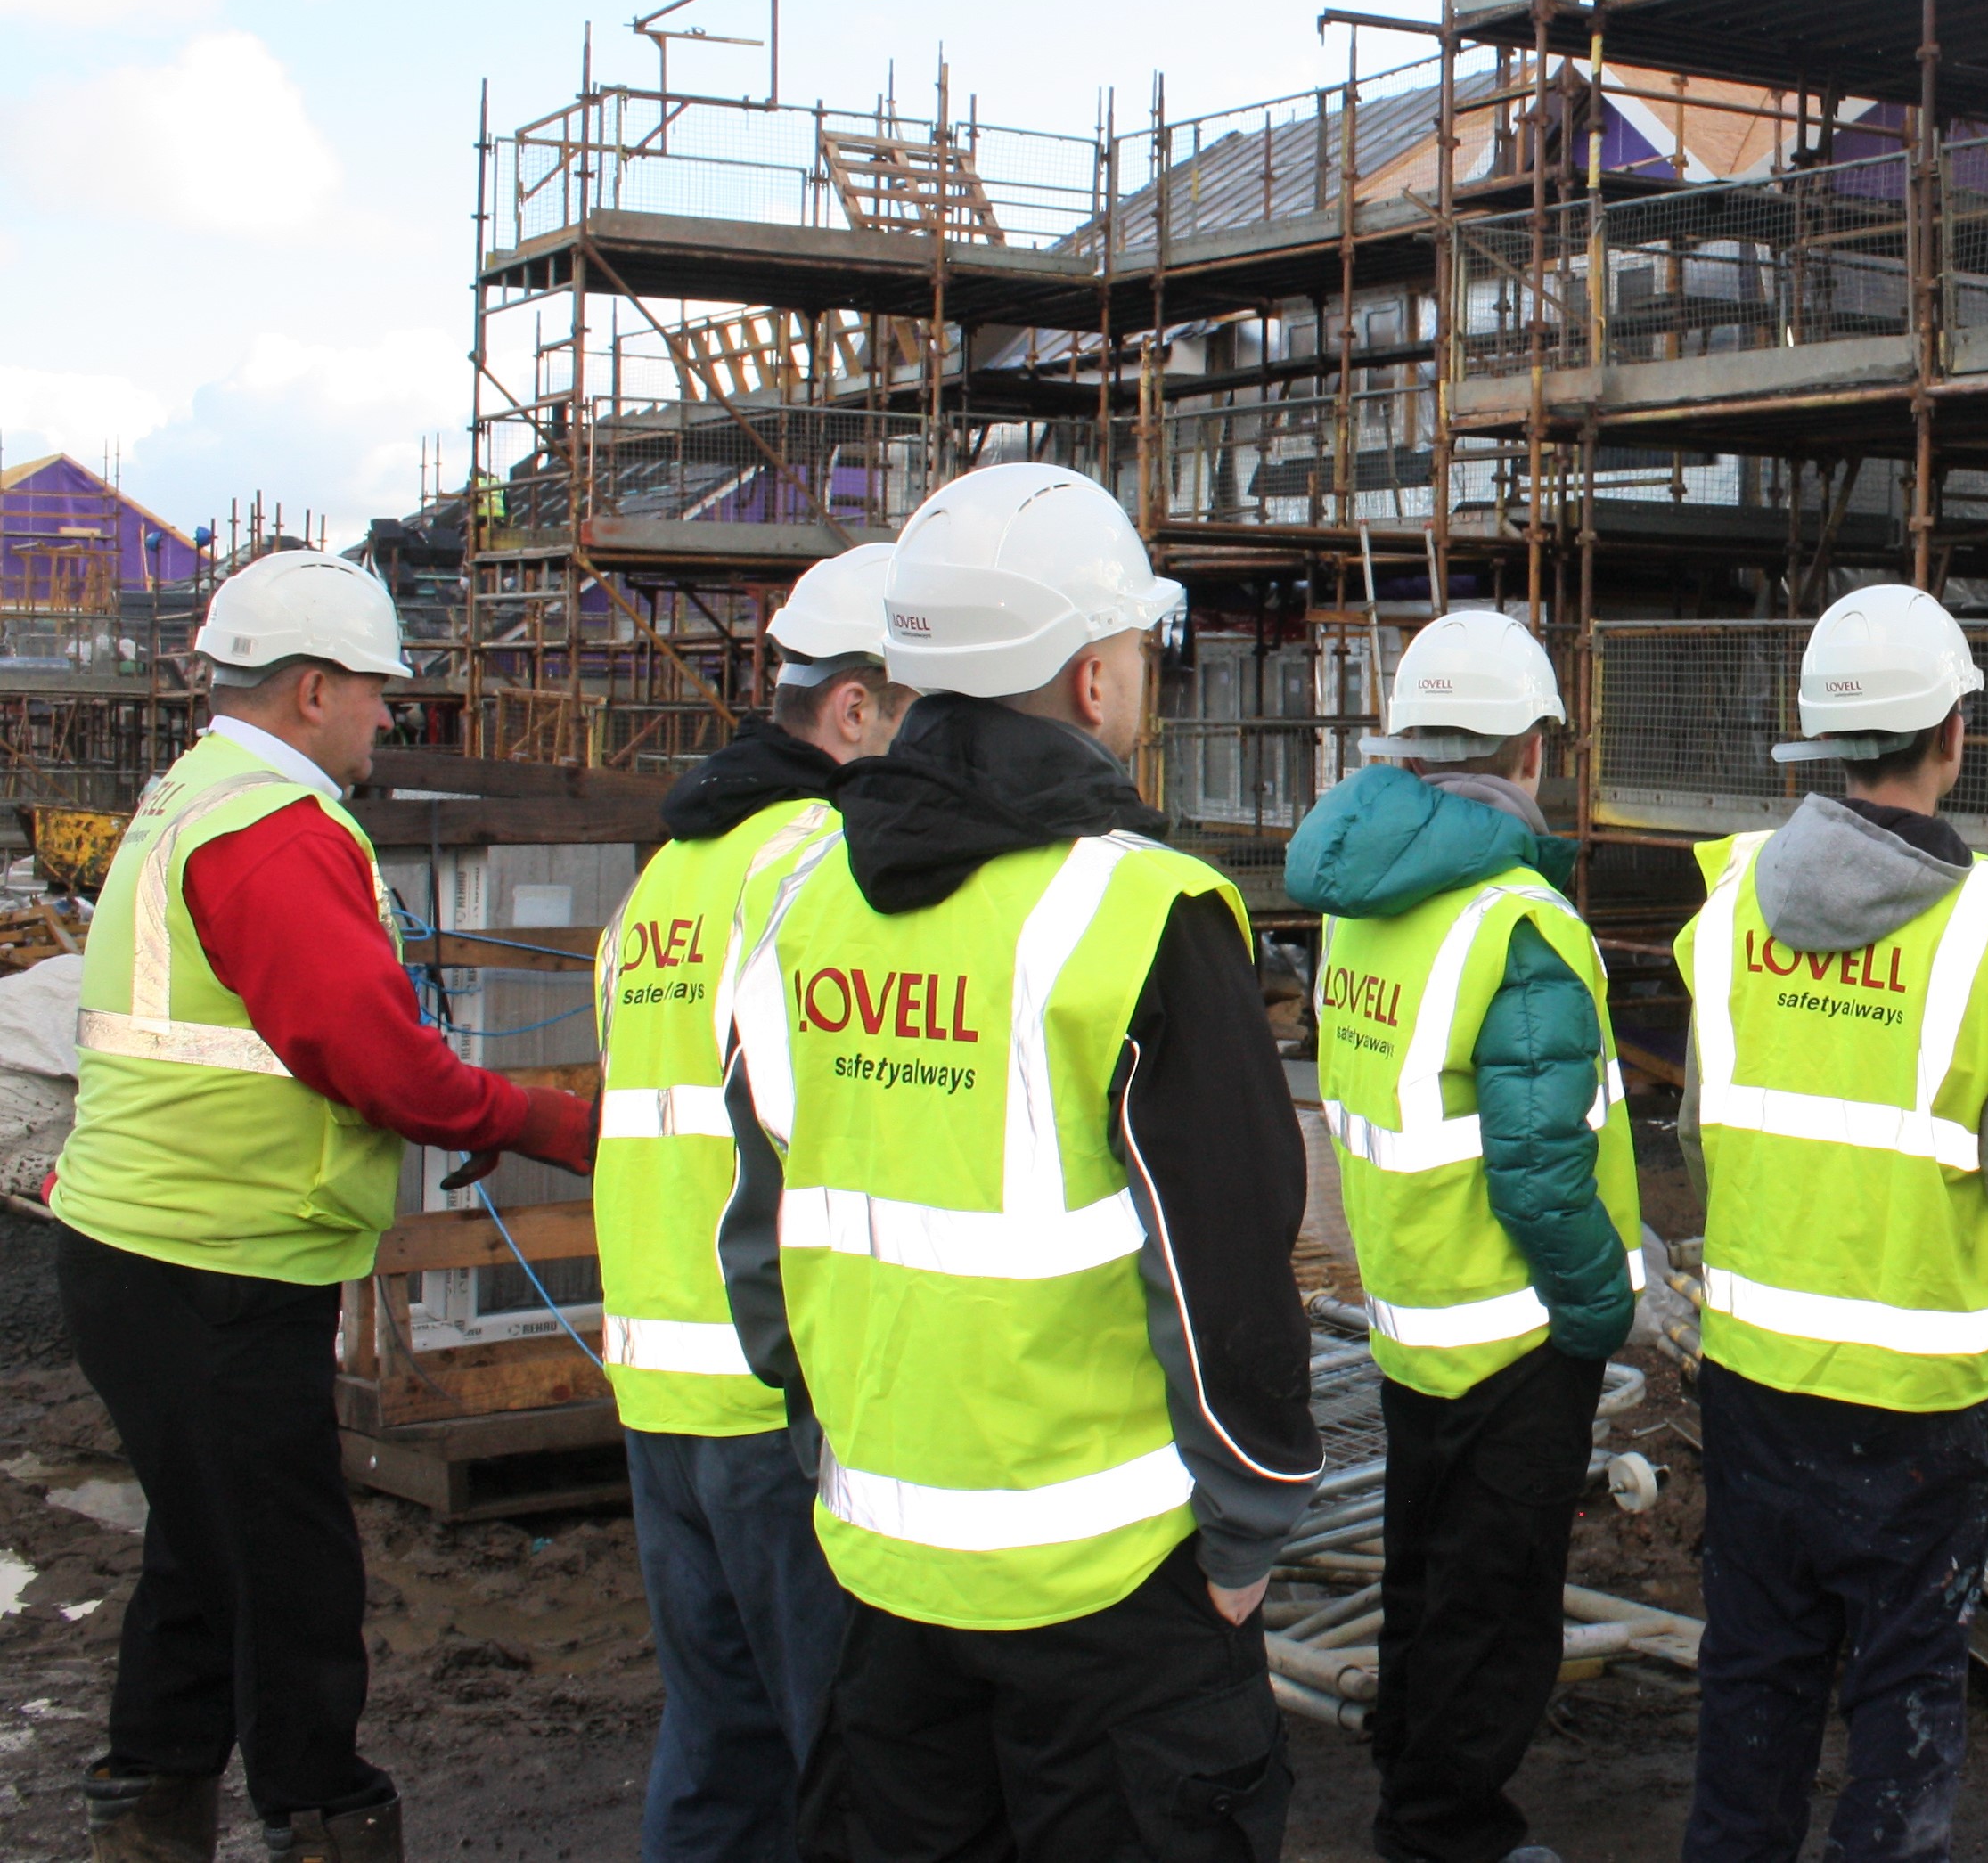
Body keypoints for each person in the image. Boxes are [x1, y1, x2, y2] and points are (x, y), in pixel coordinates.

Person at [715, 464, 1320, 1863]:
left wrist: (836, 1445)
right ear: (1095, 681)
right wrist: (1245, 1535)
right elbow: (1230, 1269)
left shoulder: (800, 904)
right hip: (1116, 1599)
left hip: (884, 1576)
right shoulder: (1142, 912)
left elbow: (761, 1241)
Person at [53, 551, 601, 1863]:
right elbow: (367, 1052)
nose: (385, 718)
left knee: (206, 1549)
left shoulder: (196, 796)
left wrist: (443, 1107)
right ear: (310, 690)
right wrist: (543, 1125)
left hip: (161, 1245)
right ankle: (323, 1813)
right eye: (374, 692)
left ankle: (153, 1800)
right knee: (289, 1570)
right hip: (213, 1262)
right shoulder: (276, 828)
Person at [1676, 584, 1988, 1863]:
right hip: (1922, 1393)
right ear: (1955, 730)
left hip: (1752, 1371)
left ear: (1817, 744)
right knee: (1902, 1694)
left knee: (1754, 1677)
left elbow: (1697, 1132)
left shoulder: (1730, 901)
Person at [1285, 609, 1641, 1863]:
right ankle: (1448, 1833)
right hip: (1510, 1328)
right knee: (1495, 1605)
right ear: (1532, 751)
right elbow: (1543, 1173)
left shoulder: (1362, 907)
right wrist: (1602, 1306)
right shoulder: (1513, 923)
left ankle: (1408, 1769)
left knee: (1427, 1571)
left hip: (1410, 1308)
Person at [595, 543, 906, 1863]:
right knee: (845, 1760)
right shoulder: (817, 866)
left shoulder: (665, 879)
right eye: (920, 715)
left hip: (658, 1383)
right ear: (850, 711)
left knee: (718, 1756)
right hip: (777, 1395)